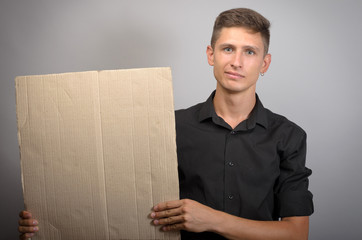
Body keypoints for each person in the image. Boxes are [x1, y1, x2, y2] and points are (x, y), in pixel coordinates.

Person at [18, 8, 314, 240]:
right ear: (210, 55)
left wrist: (211, 220)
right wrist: (48, 220)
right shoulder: (168, 125)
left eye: (249, 52)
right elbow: (116, 194)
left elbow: (296, 233)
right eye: (227, 49)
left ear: (265, 63)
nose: (237, 61)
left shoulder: (288, 137)